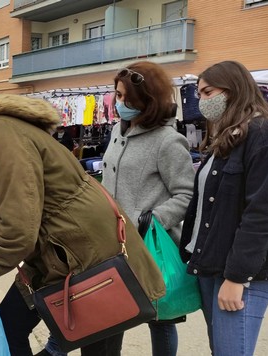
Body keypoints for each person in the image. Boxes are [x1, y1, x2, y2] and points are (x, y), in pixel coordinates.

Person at [0, 87, 166, 356]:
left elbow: (18, 231)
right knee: (9, 327)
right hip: (58, 256)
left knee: (96, 345)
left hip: (91, 256)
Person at [101, 62, 195, 356]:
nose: (119, 102)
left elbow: (187, 194)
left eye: (124, 97)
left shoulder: (167, 140)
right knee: (110, 314)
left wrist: (150, 220)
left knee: (160, 317)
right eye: (116, 95)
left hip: (148, 245)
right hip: (112, 244)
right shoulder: (118, 131)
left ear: (146, 99)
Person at [179, 60, 268, 356]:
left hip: (240, 274)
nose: (201, 101)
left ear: (231, 90)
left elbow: (260, 213)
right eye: (199, 93)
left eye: (208, 92)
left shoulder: (261, 133)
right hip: (211, 265)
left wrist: (237, 277)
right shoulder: (228, 137)